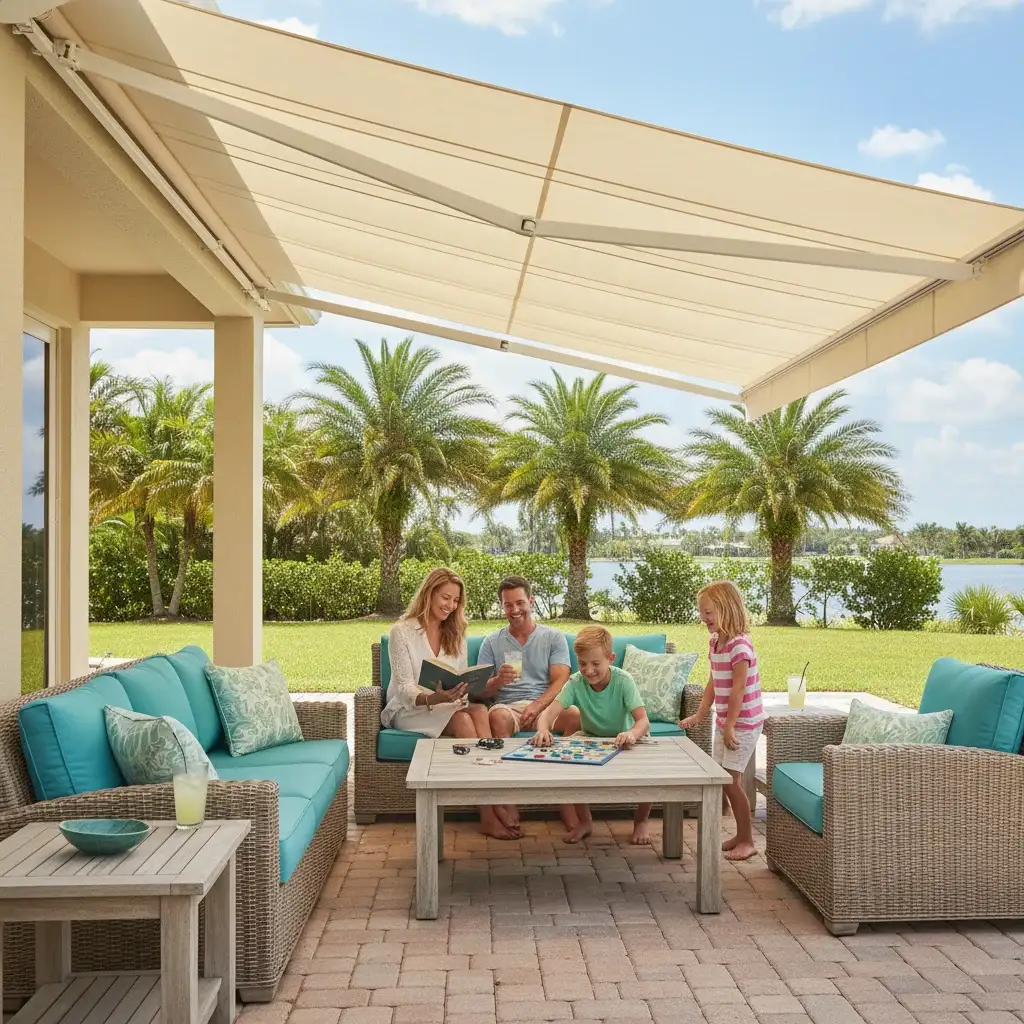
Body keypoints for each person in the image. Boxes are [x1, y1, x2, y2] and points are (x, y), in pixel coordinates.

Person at [382, 567, 517, 839]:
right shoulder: (402, 631)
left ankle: (497, 792)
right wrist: (433, 697)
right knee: (464, 719)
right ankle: (490, 812)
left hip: (446, 704)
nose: (450, 606)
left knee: (478, 709)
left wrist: (462, 691)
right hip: (409, 709)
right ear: (429, 593)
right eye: (445, 598)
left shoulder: (455, 631)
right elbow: (405, 687)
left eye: (456, 601)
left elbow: (461, 678)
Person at [475, 576, 581, 836]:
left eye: (520, 603)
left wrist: (537, 705)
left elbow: (561, 681)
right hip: (508, 706)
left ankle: (566, 800)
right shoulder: (492, 642)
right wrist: (498, 681)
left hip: (544, 704)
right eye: (508, 605)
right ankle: (508, 798)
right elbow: (479, 690)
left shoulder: (552, 637)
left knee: (575, 715)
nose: (515, 610)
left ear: (531, 601)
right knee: (497, 718)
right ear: (502, 606)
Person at [532, 625, 651, 845]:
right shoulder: (577, 682)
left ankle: (641, 820)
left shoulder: (623, 680)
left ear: (610, 658)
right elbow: (549, 712)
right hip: (591, 737)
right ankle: (584, 821)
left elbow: (643, 720)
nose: (588, 670)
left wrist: (632, 734)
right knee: (571, 767)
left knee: (647, 770)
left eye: (596, 664)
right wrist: (543, 729)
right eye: (582, 663)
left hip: (625, 739)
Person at [680, 580, 764, 862]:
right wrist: (702, 714)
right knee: (724, 779)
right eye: (702, 612)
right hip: (726, 722)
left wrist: (729, 726)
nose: (703, 618)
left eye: (708, 612)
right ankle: (741, 836)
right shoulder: (716, 642)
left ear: (727, 609)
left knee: (731, 780)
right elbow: (715, 681)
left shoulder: (740, 646)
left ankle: (748, 840)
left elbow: (738, 690)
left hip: (745, 723)